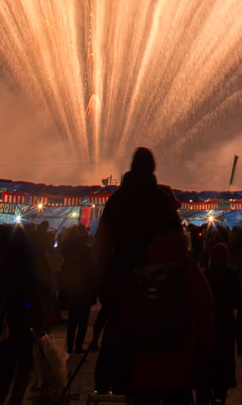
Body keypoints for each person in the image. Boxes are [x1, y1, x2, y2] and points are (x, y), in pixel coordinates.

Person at [94, 147, 182, 394]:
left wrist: (103, 279)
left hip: (120, 282)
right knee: (151, 344)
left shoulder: (118, 200)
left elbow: (101, 244)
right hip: (154, 287)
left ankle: (106, 386)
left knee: (115, 337)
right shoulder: (161, 201)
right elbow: (176, 244)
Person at [126, 233, 214, 405]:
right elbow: (205, 313)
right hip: (179, 363)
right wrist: (206, 356)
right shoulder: (187, 272)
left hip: (144, 363)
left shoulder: (140, 272)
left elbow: (126, 316)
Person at [201, 243, 240, 405]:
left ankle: (207, 394)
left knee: (208, 360)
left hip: (208, 322)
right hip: (225, 323)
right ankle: (220, 396)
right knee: (224, 361)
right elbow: (238, 298)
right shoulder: (231, 275)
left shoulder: (206, 275)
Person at [58, 225, 97, 355]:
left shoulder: (68, 253)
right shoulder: (86, 252)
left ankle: (70, 346)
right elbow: (92, 270)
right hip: (84, 290)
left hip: (74, 289)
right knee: (82, 321)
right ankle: (77, 346)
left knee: (73, 320)